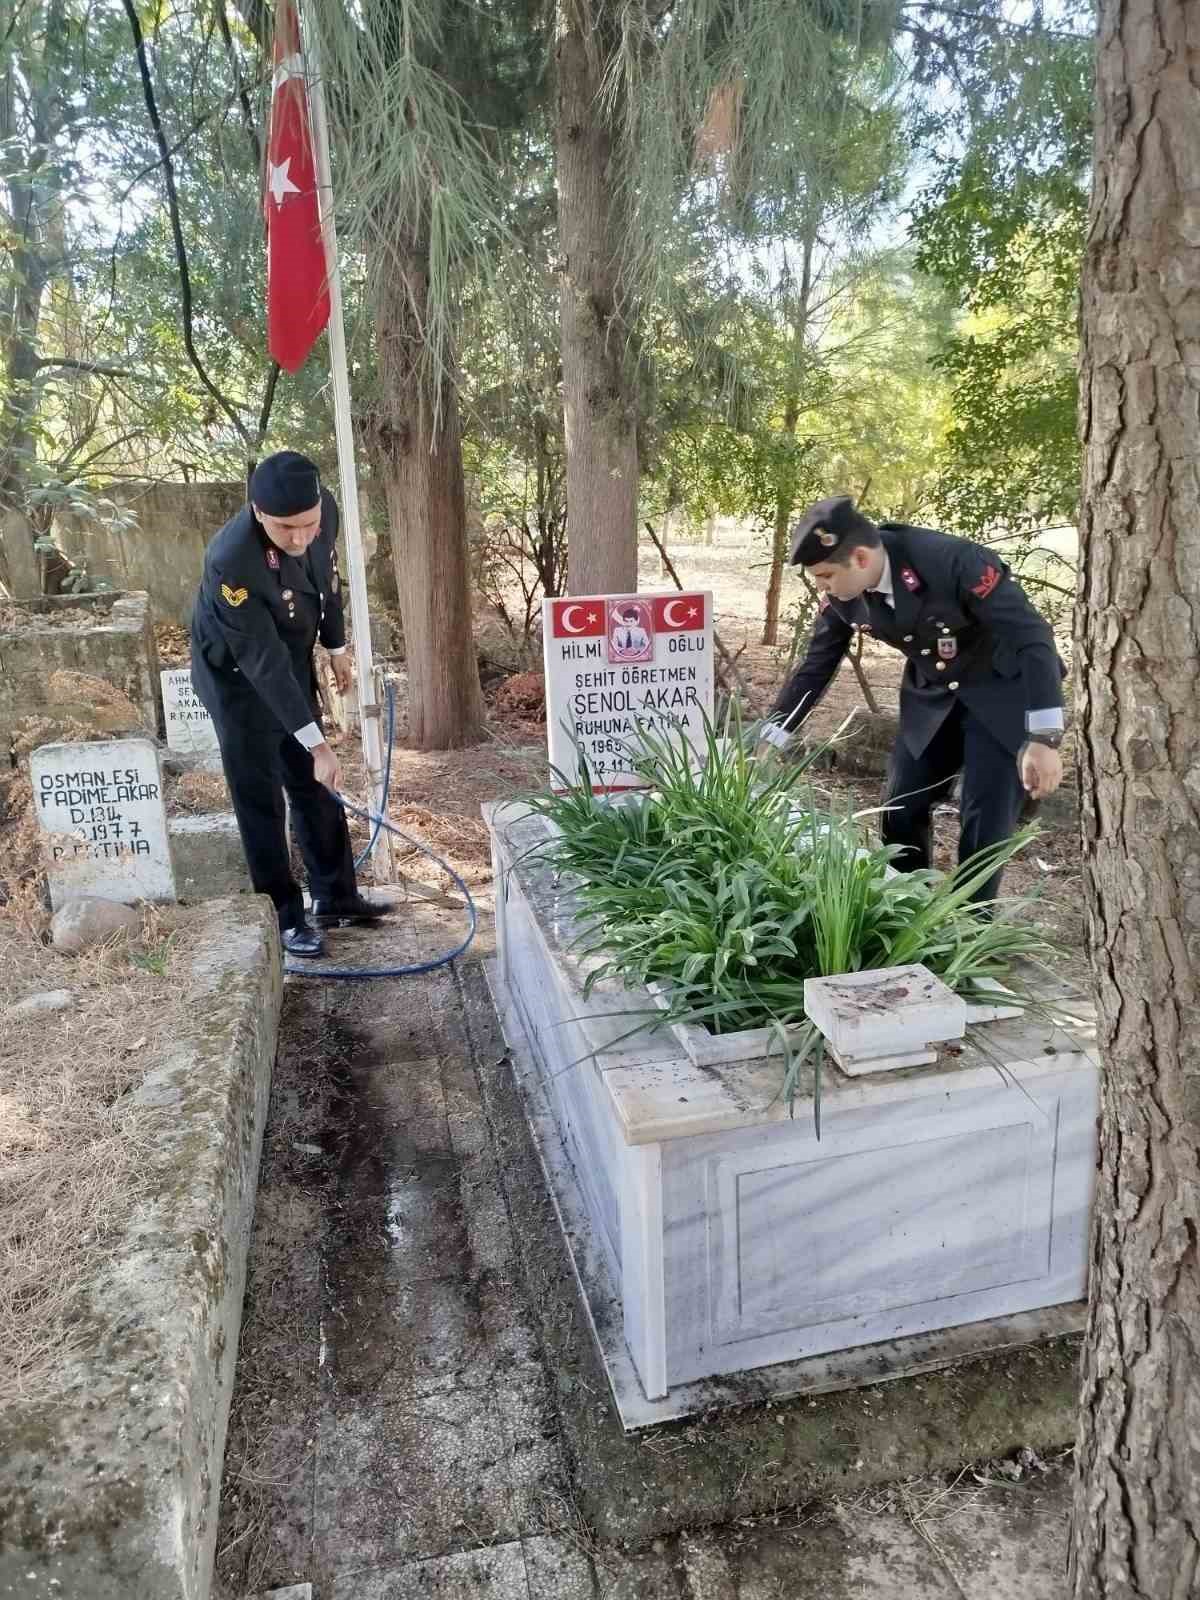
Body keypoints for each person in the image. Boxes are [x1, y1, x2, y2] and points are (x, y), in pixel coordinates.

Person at [760, 495, 1065, 904]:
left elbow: (1034, 640)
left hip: (1003, 692)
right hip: (933, 694)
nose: (823, 586)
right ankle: (906, 909)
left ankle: (971, 934)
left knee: (984, 822)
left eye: (827, 575)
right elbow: (817, 664)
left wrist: (1044, 737)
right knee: (900, 806)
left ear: (863, 558)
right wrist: (772, 734)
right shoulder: (842, 596)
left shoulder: (956, 562)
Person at [190, 450, 389, 957]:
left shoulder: (323, 511)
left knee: (315, 786)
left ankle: (336, 896)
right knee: (261, 797)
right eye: (285, 528)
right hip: (237, 678)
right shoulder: (232, 560)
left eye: (308, 524)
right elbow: (262, 663)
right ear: (257, 512)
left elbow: (328, 580)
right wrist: (317, 742)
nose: (300, 537)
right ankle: (283, 916)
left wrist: (336, 646)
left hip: (290, 656)